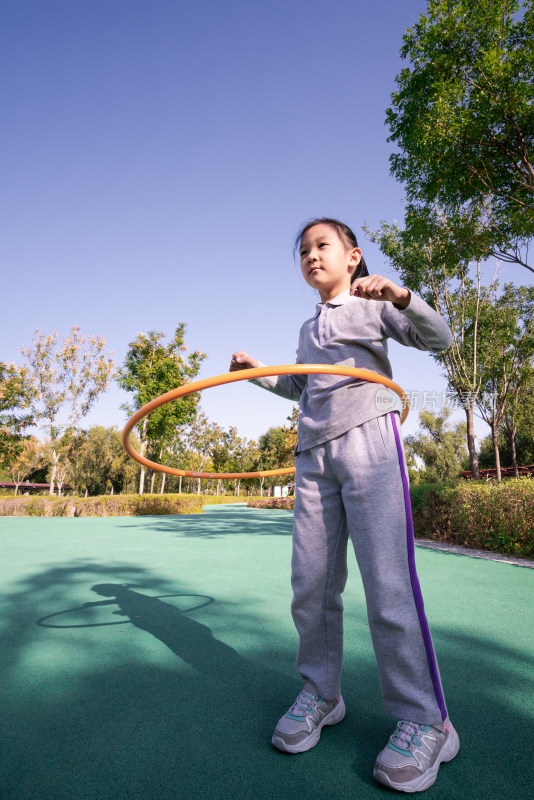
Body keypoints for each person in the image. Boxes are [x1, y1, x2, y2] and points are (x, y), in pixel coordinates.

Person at [229, 218, 459, 793]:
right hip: (313, 456)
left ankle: (426, 720)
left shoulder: (371, 304)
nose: (310, 256)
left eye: (321, 246)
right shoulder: (308, 329)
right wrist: (257, 376)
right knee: (310, 583)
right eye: (303, 251)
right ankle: (321, 693)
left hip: (369, 441)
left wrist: (402, 295)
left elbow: (440, 338)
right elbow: (304, 387)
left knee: (387, 583)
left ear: (353, 257)